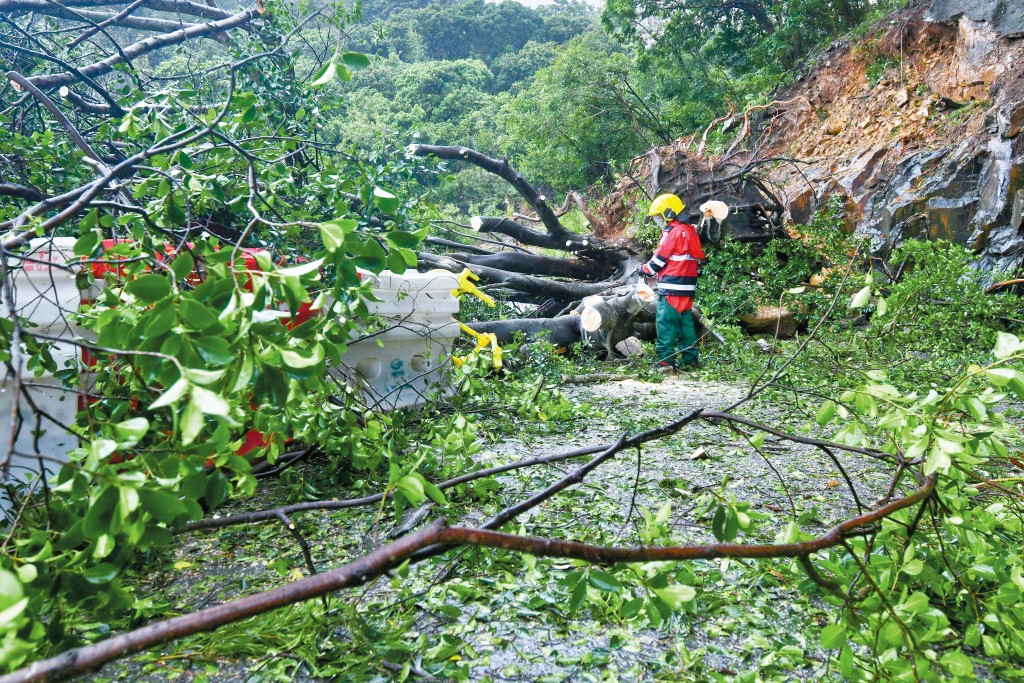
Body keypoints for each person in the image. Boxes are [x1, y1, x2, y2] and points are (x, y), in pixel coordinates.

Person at [640, 193, 706, 372]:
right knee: (686, 326)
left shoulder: (671, 233)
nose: (658, 220)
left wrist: (644, 270)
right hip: (688, 290)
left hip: (671, 289)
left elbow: (658, 260)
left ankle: (666, 361)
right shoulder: (690, 232)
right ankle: (691, 359)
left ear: (668, 213)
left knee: (666, 325)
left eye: (658, 216)